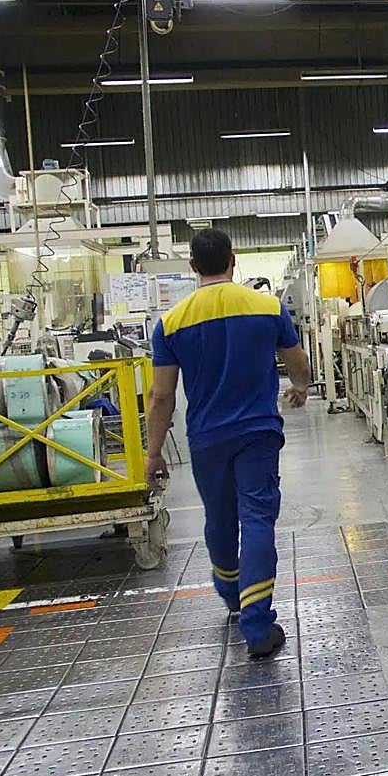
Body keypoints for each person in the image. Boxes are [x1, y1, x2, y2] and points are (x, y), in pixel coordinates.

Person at [144, 229, 311, 659]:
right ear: (233, 261)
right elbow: (296, 360)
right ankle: (257, 625)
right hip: (257, 433)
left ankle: (232, 594)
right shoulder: (266, 306)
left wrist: (153, 451)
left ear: (192, 267)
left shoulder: (172, 322)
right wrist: (300, 386)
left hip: (207, 439)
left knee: (220, 520)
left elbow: (161, 396)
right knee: (256, 519)